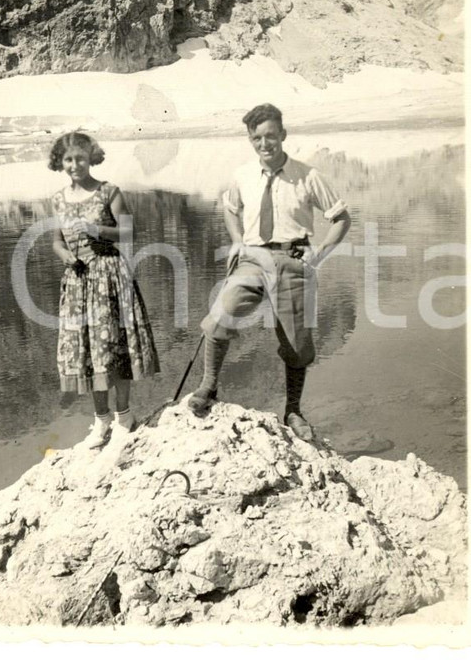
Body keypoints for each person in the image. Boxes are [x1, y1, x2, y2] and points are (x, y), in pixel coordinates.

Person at [188, 103, 351, 440]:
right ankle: (209, 385)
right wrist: (237, 242)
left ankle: (293, 409)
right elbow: (230, 208)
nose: (265, 144)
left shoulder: (308, 176)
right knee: (220, 316)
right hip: (253, 259)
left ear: (283, 135)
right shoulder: (243, 175)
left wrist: (317, 256)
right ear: (251, 140)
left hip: (293, 261)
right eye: (257, 138)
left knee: (295, 343)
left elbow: (341, 219)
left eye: (271, 136)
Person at [49, 131, 160, 449]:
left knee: (115, 348)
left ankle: (124, 419)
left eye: (80, 158)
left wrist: (96, 229)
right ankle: (100, 423)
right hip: (78, 283)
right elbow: (56, 240)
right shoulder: (58, 199)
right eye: (68, 159)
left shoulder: (108, 191)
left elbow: (128, 231)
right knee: (88, 353)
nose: (74, 165)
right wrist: (65, 255)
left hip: (110, 279)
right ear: (60, 161)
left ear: (91, 157)